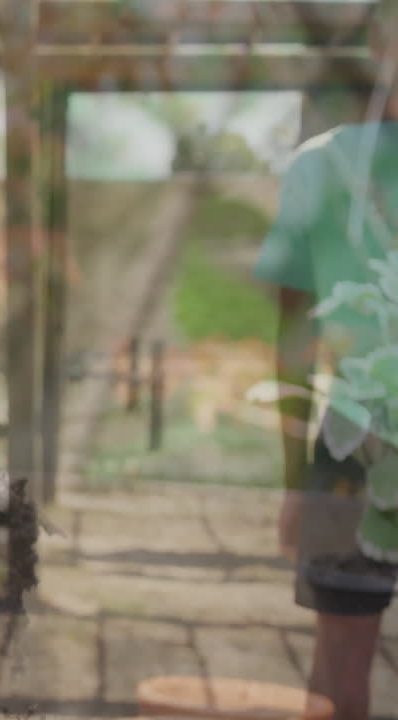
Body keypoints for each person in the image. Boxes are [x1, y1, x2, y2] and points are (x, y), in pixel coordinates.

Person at [259, 3, 398, 717]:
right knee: (339, 681)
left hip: (346, 453)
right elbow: (293, 336)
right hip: (349, 453)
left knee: (337, 680)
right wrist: (296, 486)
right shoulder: (319, 166)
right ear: (377, 41)